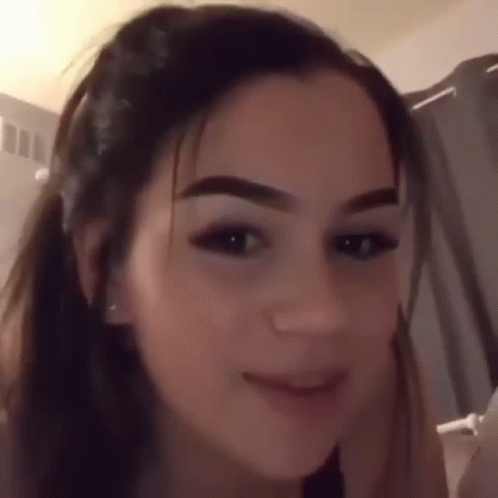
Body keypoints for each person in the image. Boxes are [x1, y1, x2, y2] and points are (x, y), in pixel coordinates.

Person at [0, 4, 448, 498]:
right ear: (107, 269)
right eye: (235, 239)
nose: (324, 315)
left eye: (359, 243)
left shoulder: (380, 402)